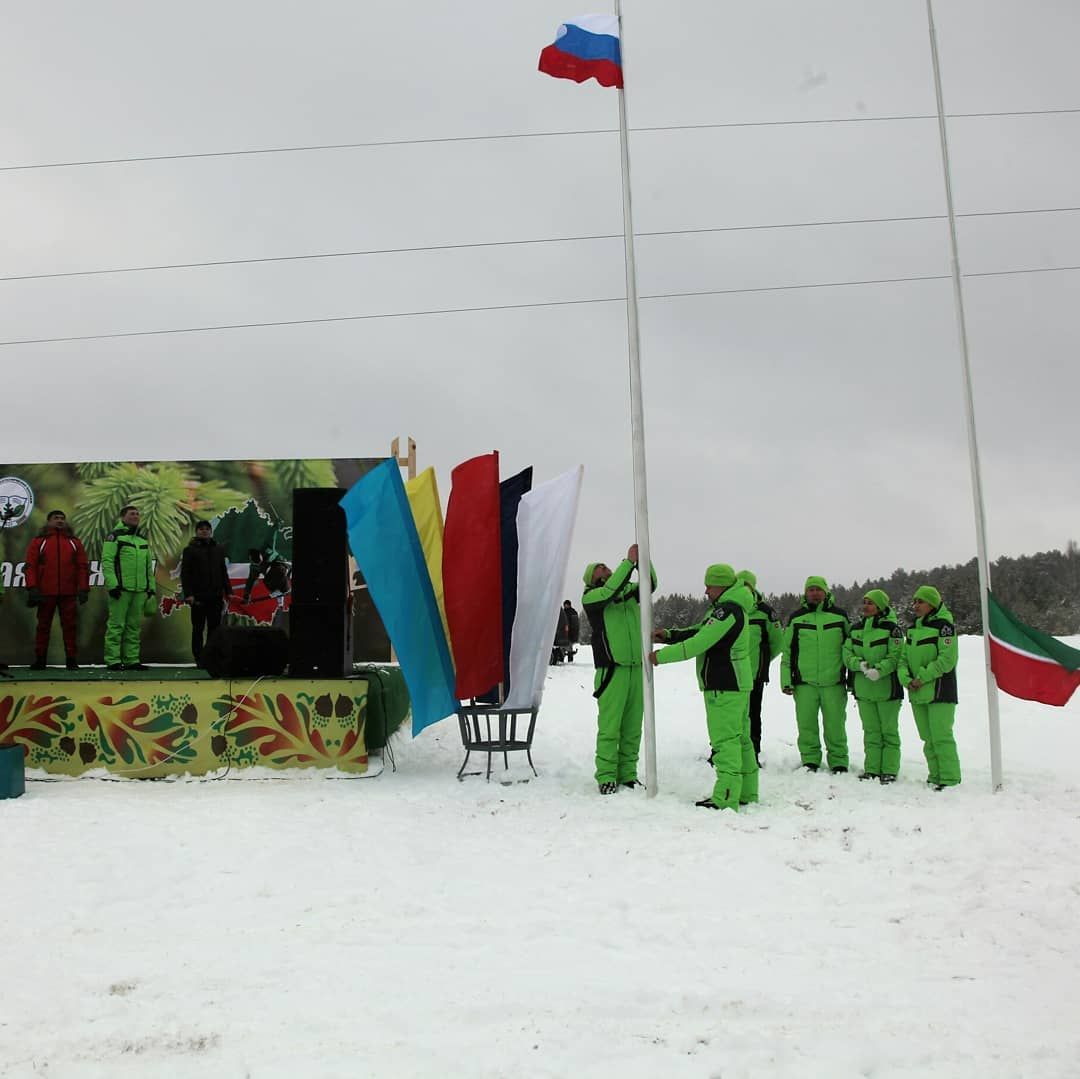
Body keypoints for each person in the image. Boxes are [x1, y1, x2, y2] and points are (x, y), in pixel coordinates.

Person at [651, 564, 756, 810]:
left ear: (721, 585)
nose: (706, 590)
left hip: (724, 685)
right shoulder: (727, 610)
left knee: (726, 742)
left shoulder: (727, 611)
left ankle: (727, 796)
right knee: (741, 740)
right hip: (734, 684)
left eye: (710, 585)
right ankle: (747, 792)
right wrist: (668, 635)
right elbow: (698, 631)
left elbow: (699, 642)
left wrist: (660, 657)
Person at [582, 544, 656, 794]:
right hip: (611, 671)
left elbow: (649, 585)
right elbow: (609, 591)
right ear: (590, 579)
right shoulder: (592, 598)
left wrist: (643, 559)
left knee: (633, 727)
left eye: (605, 566)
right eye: (598, 569)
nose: (604, 568)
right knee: (610, 728)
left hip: (636, 668)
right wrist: (628, 562)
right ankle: (606, 776)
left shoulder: (627, 592)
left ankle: (627, 774)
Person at [781, 575, 851, 773]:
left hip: (834, 683)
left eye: (818, 589)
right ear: (805, 593)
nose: (814, 593)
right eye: (810, 589)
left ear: (826, 591)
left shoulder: (840, 616)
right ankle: (810, 760)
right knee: (806, 726)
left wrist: (851, 679)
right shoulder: (796, 617)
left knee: (836, 726)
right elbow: (788, 652)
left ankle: (838, 762)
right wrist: (786, 680)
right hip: (805, 684)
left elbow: (851, 648)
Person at [899, 584, 960, 790]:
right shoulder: (913, 629)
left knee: (941, 737)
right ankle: (935, 776)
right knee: (928, 738)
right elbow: (903, 659)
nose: (915, 605)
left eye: (920, 601)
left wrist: (922, 677)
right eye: (914, 601)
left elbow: (947, 659)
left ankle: (949, 780)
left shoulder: (944, 627)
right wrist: (906, 678)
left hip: (940, 691)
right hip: (917, 692)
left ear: (932, 604)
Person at [842, 589, 904, 783]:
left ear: (881, 606)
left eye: (871, 603)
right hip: (863, 689)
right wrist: (857, 664)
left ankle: (889, 770)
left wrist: (880, 670)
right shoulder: (856, 629)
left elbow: (896, 655)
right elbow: (847, 652)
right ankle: (872, 769)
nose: (866, 606)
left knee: (889, 732)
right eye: (865, 602)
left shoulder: (892, 629)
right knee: (870, 732)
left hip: (887, 690)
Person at [23, 509, 90, 669]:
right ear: (49, 521)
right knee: (43, 626)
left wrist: (83, 588)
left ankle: (71, 660)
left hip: (68, 592)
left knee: (70, 627)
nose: (60, 521)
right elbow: (30, 566)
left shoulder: (74, 542)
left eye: (62, 518)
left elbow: (82, 567)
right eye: (56, 518)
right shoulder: (39, 542)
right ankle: (40, 660)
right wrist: (32, 588)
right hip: (46, 592)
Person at [736, 569, 782, 766]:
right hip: (730, 673)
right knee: (731, 714)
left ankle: (752, 751)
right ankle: (720, 750)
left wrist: (763, 661)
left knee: (753, 713)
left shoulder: (765, 612)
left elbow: (778, 642)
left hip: (754, 673)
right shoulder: (729, 608)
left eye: (747, 586)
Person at [101, 505, 154, 671]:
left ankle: (132, 660)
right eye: (132, 514)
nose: (136, 516)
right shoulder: (114, 537)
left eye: (138, 514)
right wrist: (112, 585)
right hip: (121, 590)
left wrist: (150, 589)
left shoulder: (142, 540)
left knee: (134, 627)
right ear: (122, 517)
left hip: (139, 591)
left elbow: (148, 568)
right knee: (116, 626)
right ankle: (113, 661)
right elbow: (107, 562)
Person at [180, 520, 232, 667]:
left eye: (207, 529)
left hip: (215, 596)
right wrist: (188, 594)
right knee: (198, 629)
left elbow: (223, 572)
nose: (204, 531)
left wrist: (229, 591)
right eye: (201, 529)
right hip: (198, 597)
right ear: (196, 532)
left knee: (214, 629)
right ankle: (199, 658)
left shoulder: (218, 549)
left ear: (211, 531)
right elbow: (185, 574)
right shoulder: (190, 550)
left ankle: (211, 657)